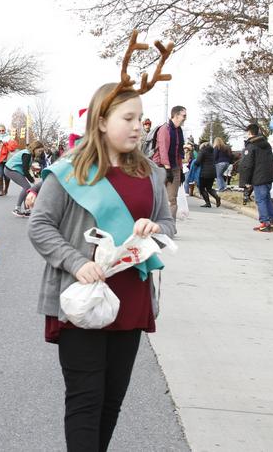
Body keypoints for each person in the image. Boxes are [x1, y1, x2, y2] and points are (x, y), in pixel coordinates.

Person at [29, 81, 176, 452]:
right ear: (101, 121)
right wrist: (76, 262)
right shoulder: (69, 172)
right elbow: (40, 225)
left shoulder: (150, 174)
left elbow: (168, 224)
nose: (138, 127)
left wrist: (155, 229)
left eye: (141, 119)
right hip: (83, 297)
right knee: (86, 398)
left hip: (132, 297)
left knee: (112, 400)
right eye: (128, 118)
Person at [238, 124, 273, 232]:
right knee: (267, 199)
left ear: (249, 132)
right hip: (268, 175)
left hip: (258, 176)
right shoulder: (266, 144)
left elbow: (247, 164)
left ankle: (265, 222)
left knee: (260, 200)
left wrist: (245, 181)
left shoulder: (251, 146)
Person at [151, 106, 187, 218]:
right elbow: (163, 150)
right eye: (184, 115)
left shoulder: (179, 131)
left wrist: (180, 170)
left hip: (174, 167)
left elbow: (178, 152)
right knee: (156, 198)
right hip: (161, 166)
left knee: (172, 198)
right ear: (176, 116)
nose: (185, 118)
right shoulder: (164, 130)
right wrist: (167, 169)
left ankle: (170, 227)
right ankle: (153, 224)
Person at [6, 141, 44, 218]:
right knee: (27, 187)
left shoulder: (29, 154)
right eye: (39, 151)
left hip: (14, 169)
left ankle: (27, 210)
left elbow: (25, 165)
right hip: (10, 169)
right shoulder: (27, 154)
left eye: (41, 151)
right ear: (34, 149)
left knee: (27, 188)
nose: (40, 153)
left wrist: (32, 168)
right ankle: (17, 209)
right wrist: (32, 180)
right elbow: (25, 170)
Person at [194, 140, 221, 208]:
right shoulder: (212, 151)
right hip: (212, 172)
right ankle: (216, 197)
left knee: (202, 188)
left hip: (204, 172)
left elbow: (198, 161)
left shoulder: (202, 151)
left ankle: (208, 203)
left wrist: (194, 164)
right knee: (209, 188)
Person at [0, 127, 17, 197]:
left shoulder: (9, 138)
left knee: (7, 176)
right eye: (0, 130)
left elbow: (12, 148)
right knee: (0, 175)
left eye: (3, 130)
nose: (1, 132)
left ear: (5, 130)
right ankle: (1, 191)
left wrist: (5, 144)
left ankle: (6, 189)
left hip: (7, 159)